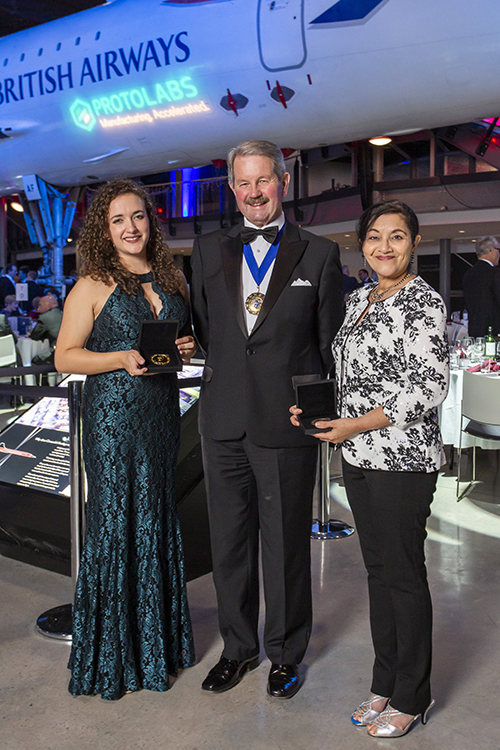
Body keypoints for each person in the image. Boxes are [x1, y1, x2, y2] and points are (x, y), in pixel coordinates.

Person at [191, 140, 344, 699]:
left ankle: (285, 654)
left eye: (264, 181)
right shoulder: (207, 250)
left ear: (283, 181)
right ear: (232, 188)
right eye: (243, 183)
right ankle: (237, 650)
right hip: (224, 421)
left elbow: (328, 347)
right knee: (229, 544)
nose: (254, 192)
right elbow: (209, 332)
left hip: (287, 423)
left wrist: (322, 418)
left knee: (284, 547)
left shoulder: (319, 253)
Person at [291, 200, 449, 737]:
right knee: (378, 573)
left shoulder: (422, 300)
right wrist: (318, 409)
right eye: (375, 236)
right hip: (358, 454)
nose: (385, 246)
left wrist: (355, 424)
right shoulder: (358, 299)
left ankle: (413, 695)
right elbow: (354, 375)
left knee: (403, 575)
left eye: (397, 237)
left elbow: (428, 387)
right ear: (362, 243)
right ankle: (385, 684)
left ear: (414, 243)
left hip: (402, 459)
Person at [55, 178, 196, 700]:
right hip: (113, 418)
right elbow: (65, 355)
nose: (130, 227)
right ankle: (115, 655)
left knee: (155, 515)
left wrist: (186, 343)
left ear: (149, 221)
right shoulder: (92, 283)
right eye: (118, 220)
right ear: (104, 229)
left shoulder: (172, 277)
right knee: (117, 523)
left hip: (160, 414)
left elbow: (186, 340)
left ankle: (156, 645)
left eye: (137, 217)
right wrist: (118, 357)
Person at [462, 235, 500, 337]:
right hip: (493, 332)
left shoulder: (468, 274)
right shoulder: (494, 273)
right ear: (492, 250)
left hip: (474, 330)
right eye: (498, 250)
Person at [30, 295, 63, 365]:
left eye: (40, 305)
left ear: (48, 305)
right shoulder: (65, 314)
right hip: (71, 352)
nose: (38, 309)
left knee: (35, 360)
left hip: (56, 354)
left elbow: (35, 336)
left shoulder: (44, 318)